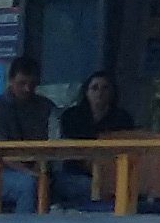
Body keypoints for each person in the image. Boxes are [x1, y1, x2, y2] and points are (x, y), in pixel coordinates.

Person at [0, 48, 55, 203]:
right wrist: (30, 172)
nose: (27, 88)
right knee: (29, 185)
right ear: (11, 80)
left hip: (42, 169)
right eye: (22, 83)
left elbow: (55, 142)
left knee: (82, 185)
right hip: (2, 172)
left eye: (32, 84)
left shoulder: (45, 106)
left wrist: (43, 170)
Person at [55, 64, 131, 207]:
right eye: (95, 88)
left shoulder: (122, 118)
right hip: (76, 174)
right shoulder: (71, 116)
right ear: (86, 92)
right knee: (93, 188)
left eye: (105, 88)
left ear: (112, 92)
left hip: (113, 174)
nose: (100, 93)